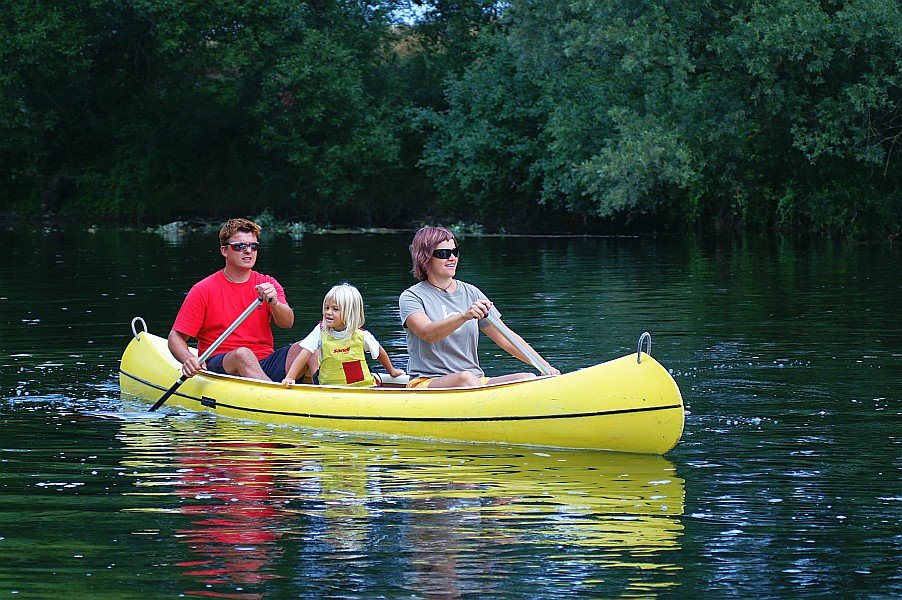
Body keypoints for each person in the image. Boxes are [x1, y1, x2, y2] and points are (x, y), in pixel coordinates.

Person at [399, 226, 560, 388]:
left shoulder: (472, 293)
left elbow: (506, 338)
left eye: (455, 252)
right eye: (443, 254)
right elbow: (427, 333)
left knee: (527, 378)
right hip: (427, 382)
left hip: (475, 381)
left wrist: (545, 367)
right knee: (465, 379)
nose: (452, 258)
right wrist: (465, 316)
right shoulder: (412, 297)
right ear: (425, 258)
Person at [168, 217, 299, 381]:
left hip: (263, 361)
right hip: (222, 363)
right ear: (224, 251)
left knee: (308, 348)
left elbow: (287, 323)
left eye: (253, 246)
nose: (248, 251)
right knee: (243, 354)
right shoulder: (203, 289)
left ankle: (324, 395)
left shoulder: (268, 284)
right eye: (240, 246)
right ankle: (275, 397)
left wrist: (275, 304)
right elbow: (176, 337)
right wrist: (189, 359)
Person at [281, 283, 405, 387]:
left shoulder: (362, 335)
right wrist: (290, 377)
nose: (328, 312)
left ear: (349, 313)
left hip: (363, 389)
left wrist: (392, 371)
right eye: (326, 307)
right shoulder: (320, 331)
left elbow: (379, 352)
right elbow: (305, 352)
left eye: (335, 309)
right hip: (329, 389)